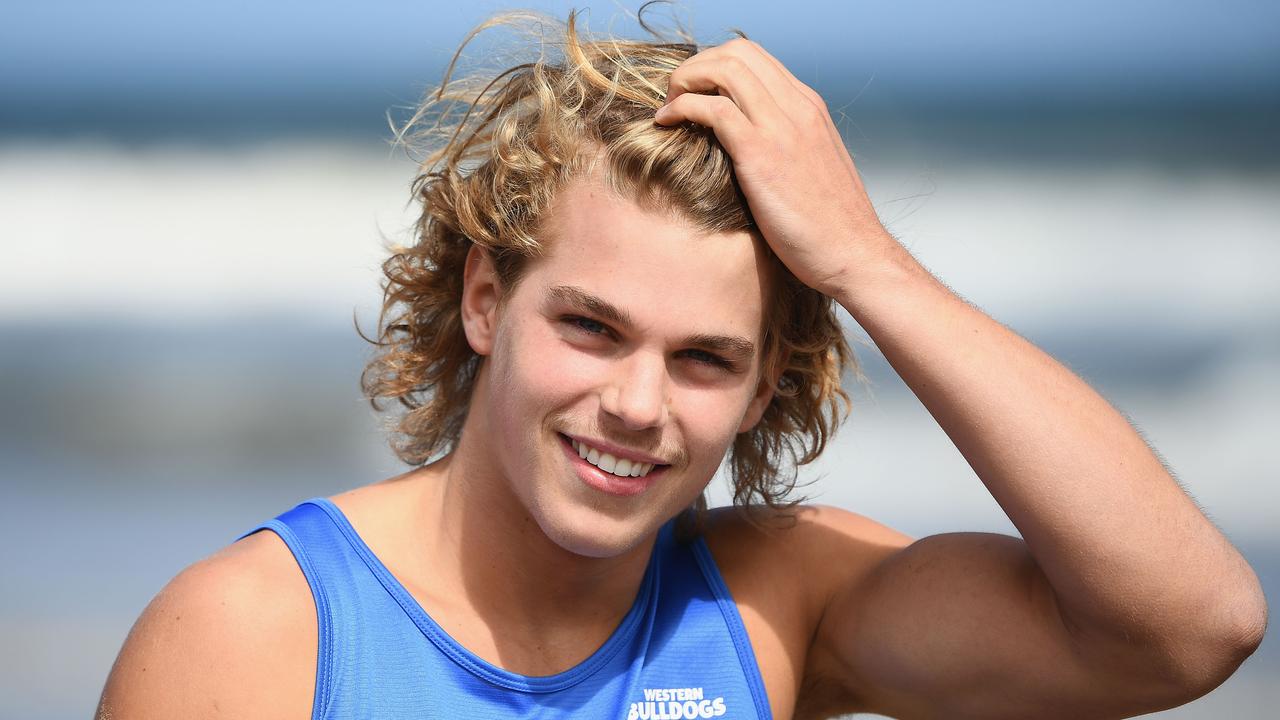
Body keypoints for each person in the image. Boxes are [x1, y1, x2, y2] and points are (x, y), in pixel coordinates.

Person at [97, 6, 1266, 719]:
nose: (636, 406)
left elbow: (1185, 627)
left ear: (764, 387)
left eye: (704, 359)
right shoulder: (259, 633)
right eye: (590, 328)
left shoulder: (773, 608)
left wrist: (865, 263)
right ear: (485, 301)